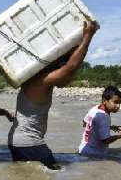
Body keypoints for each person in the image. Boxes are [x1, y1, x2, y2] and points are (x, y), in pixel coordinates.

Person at [7, 21, 99, 169]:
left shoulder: (35, 79)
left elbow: (66, 76)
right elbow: (70, 68)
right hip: (29, 142)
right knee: (56, 175)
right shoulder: (41, 81)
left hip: (19, 142)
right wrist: (88, 36)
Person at [78, 86, 121, 157]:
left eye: (120, 103)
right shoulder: (104, 116)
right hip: (95, 155)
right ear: (104, 100)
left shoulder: (94, 109)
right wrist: (120, 135)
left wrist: (108, 127)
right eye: (115, 102)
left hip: (83, 149)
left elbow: (85, 123)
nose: (118, 106)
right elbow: (105, 140)